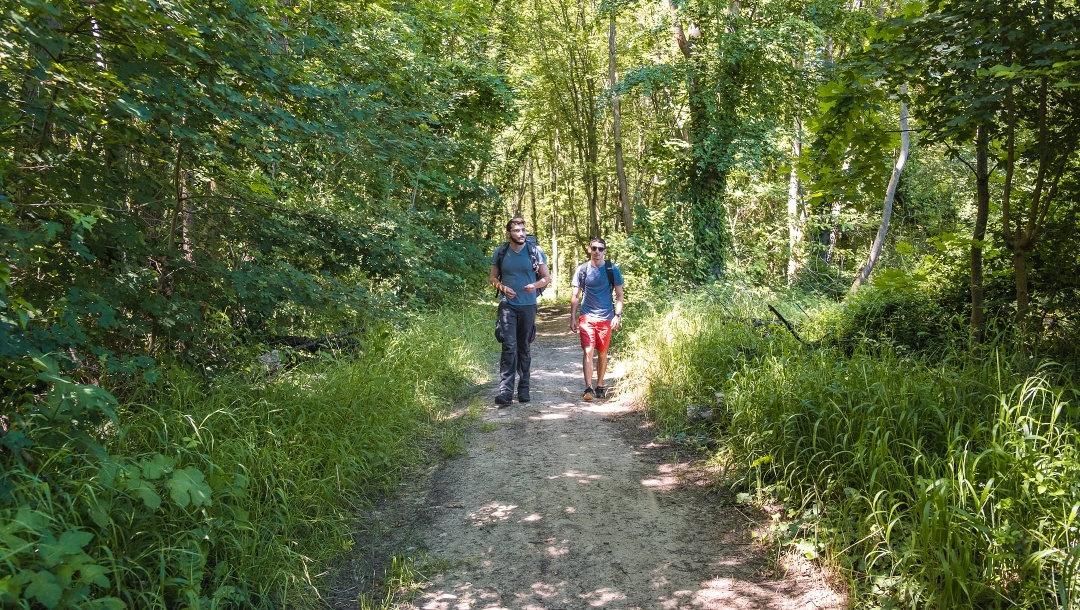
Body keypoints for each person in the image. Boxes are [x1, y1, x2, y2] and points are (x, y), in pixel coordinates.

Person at [490, 217, 551, 406]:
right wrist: (502, 287)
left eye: (523, 230)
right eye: (517, 230)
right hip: (507, 305)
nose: (521, 233)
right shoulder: (501, 252)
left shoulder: (535, 251)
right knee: (509, 346)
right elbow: (492, 277)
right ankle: (505, 393)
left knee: (524, 346)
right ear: (509, 233)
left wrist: (535, 285)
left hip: (528, 305)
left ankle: (524, 389)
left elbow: (546, 278)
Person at [569, 237, 624, 401]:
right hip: (587, 316)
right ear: (589, 249)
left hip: (606, 317)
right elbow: (575, 295)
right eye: (594, 248)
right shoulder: (582, 269)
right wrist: (572, 317)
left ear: (605, 251)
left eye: (600, 249)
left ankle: (600, 385)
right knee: (588, 350)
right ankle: (588, 387)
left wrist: (617, 315)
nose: (597, 252)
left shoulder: (612, 270)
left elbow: (620, 295)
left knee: (602, 352)